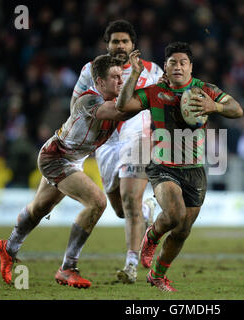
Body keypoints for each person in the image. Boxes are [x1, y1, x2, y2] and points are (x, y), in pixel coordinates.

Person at [116, 43, 244, 292]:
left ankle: (158, 275)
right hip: (163, 165)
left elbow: (237, 109)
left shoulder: (204, 91)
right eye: (172, 62)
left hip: (194, 168)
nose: (178, 66)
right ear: (166, 66)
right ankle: (151, 236)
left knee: (183, 229)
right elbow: (123, 105)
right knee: (174, 215)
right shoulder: (154, 91)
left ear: (191, 67)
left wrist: (214, 107)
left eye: (183, 62)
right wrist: (133, 74)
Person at [0, 54, 130, 288]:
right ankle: (68, 268)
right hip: (56, 157)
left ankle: (8, 248)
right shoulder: (89, 101)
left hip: (72, 158)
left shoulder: (113, 100)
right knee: (97, 202)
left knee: (40, 208)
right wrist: (144, 85)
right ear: (99, 82)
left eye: (122, 76)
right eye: (115, 77)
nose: (120, 81)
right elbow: (121, 111)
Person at [71, 20, 163, 284]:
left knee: (130, 200)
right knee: (121, 210)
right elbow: (76, 103)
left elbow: (164, 102)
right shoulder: (90, 70)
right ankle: (147, 213)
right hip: (106, 141)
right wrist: (78, 135)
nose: (120, 46)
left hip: (138, 137)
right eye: (115, 42)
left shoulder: (152, 70)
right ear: (107, 45)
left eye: (125, 41)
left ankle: (131, 265)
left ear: (133, 45)